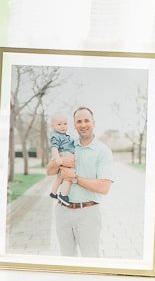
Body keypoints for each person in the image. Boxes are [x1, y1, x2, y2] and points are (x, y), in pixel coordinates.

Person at [45, 104, 113, 257]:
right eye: (79, 121)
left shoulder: (103, 151)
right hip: (62, 211)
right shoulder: (67, 143)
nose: (83, 125)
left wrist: (74, 178)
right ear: (74, 125)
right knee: (66, 258)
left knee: (90, 258)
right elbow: (49, 171)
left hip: (88, 212)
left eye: (86, 121)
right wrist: (60, 161)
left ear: (93, 123)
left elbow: (104, 187)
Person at [46, 113, 76, 199]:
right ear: (53, 125)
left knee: (59, 177)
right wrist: (57, 158)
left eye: (65, 124)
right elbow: (54, 148)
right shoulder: (55, 136)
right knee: (68, 176)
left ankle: (53, 193)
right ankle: (63, 195)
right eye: (59, 124)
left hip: (65, 156)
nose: (63, 126)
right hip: (64, 156)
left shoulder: (65, 135)